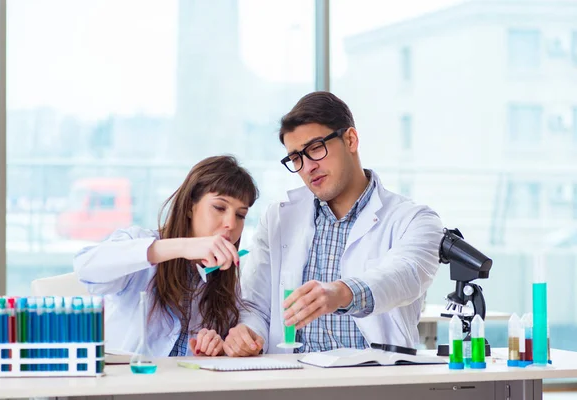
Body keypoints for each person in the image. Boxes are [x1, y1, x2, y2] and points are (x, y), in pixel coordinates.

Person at [223, 92, 443, 356]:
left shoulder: (415, 219)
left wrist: (341, 293)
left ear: (350, 139)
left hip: (373, 382)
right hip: (295, 379)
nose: (307, 167)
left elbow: (405, 275)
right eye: (296, 158)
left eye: (316, 148)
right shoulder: (278, 218)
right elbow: (256, 306)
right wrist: (248, 333)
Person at [74, 155, 259, 357]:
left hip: (181, 385)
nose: (231, 224)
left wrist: (215, 345)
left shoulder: (225, 278)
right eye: (219, 207)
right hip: (126, 383)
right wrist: (183, 247)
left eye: (240, 215)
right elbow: (86, 268)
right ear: (190, 206)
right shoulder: (141, 242)